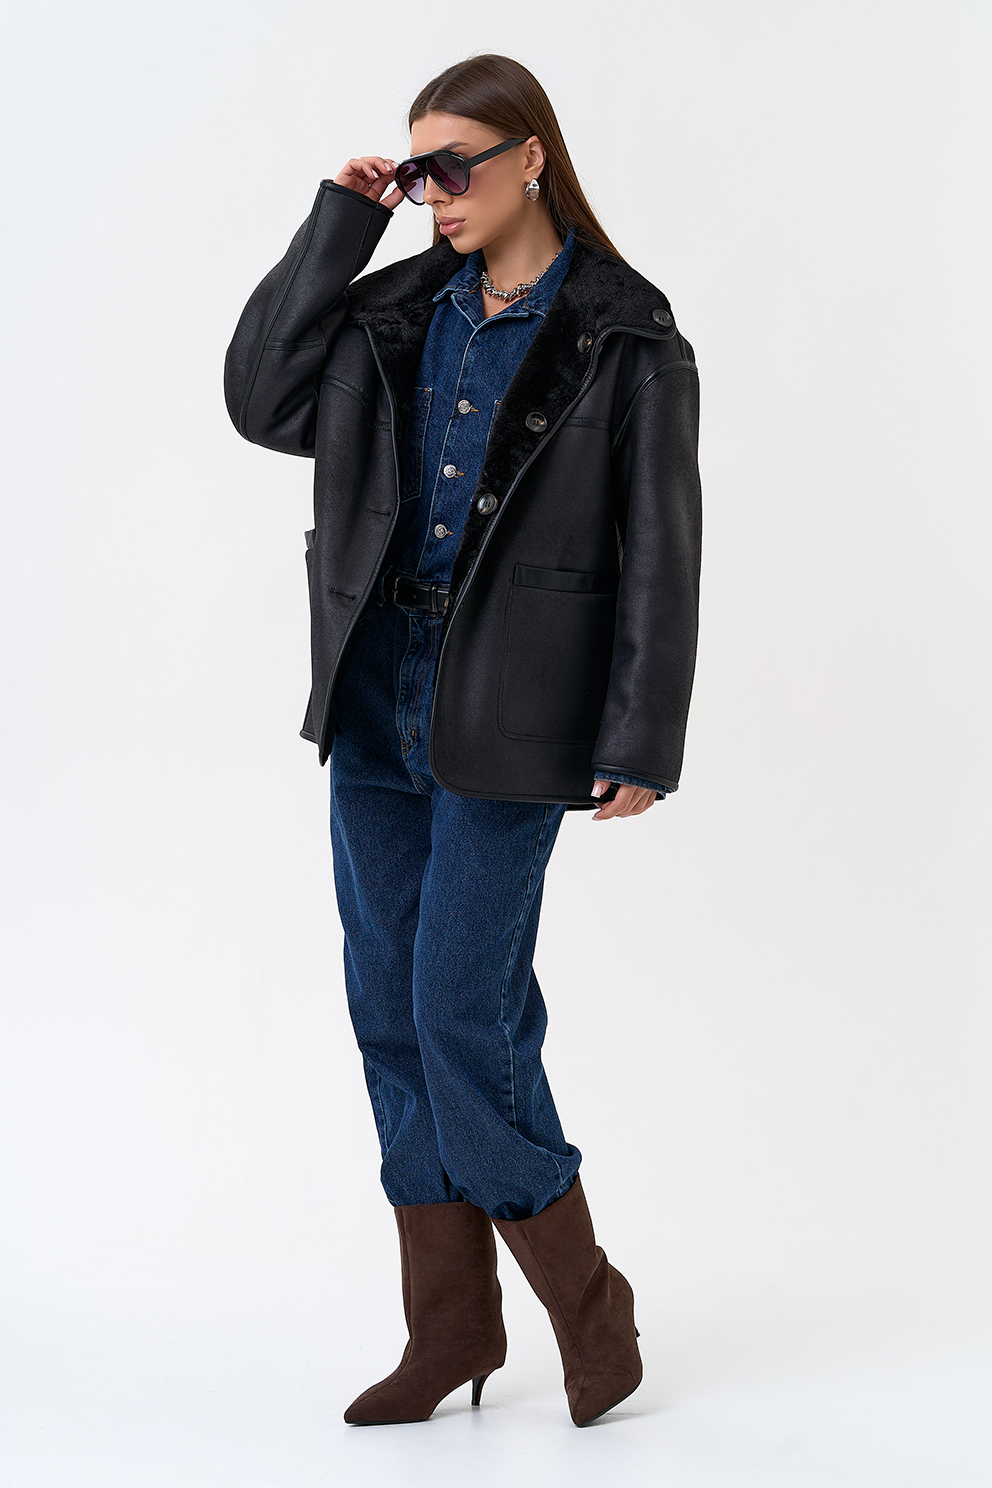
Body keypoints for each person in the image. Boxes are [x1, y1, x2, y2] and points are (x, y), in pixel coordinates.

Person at [224, 53, 702, 1428]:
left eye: (455, 165)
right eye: (417, 168)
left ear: (530, 157)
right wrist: (342, 219)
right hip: (376, 693)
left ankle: (587, 1303)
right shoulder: (391, 310)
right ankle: (449, 1332)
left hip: (515, 707)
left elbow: (663, 548)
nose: (434, 191)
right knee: (389, 1014)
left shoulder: (625, 332)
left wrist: (642, 734)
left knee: (459, 1012)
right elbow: (261, 399)